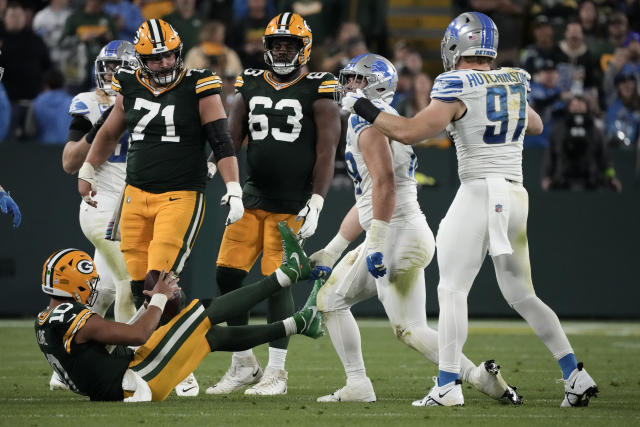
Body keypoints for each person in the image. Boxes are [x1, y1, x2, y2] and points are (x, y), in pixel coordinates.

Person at [341, 12, 598, 408]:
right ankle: (574, 374)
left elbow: (410, 131)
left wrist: (364, 108)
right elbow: (535, 125)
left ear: (455, 46)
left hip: (480, 190)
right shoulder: (513, 79)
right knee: (522, 294)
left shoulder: (456, 82)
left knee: (452, 288)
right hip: (516, 195)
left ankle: (447, 386)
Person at [311, 53, 521, 405]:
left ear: (375, 84)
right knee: (332, 299)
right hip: (401, 231)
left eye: (356, 80)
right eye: (347, 79)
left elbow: (385, 186)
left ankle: (472, 377)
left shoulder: (370, 124)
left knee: (407, 328)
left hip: (397, 236)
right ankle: (359, 385)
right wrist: (334, 247)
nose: (347, 86)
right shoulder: (383, 121)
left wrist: (376, 242)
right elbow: (367, 199)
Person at [77, 19, 244, 396]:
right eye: (155, 59)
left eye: (169, 55)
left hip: (180, 194)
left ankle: (182, 364)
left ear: (179, 52)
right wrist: (87, 168)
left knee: (159, 284)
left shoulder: (199, 83)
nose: (165, 64)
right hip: (134, 196)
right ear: (140, 59)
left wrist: (233, 187)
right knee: (140, 288)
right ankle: (159, 355)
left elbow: (220, 139)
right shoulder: (130, 84)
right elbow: (108, 132)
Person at [205, 11, 341, 397]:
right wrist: (217, 171)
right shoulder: (248, 80)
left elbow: (327, 149)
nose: (282, 51)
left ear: (305, 48)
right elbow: (230, 135)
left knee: (277, 283)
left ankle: (277, 373)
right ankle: (244, 362)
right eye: (277, 44)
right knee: (227, 275)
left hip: (291, 203)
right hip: (251, 197)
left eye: (290, 45)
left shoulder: (320, 85)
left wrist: (316, 201)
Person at [35, 223, 323, 402]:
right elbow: (137, 334)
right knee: (203, 312)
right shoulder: (76, 320)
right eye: (87, 281)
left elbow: (112, 343)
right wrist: (159, 299)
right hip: (137, 381)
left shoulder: (45, 321)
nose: (92, 286)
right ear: (72, 284)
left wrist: (148, 307)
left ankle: (300, 322)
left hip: (123, 378)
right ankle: (288, 273)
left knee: (212, 336)